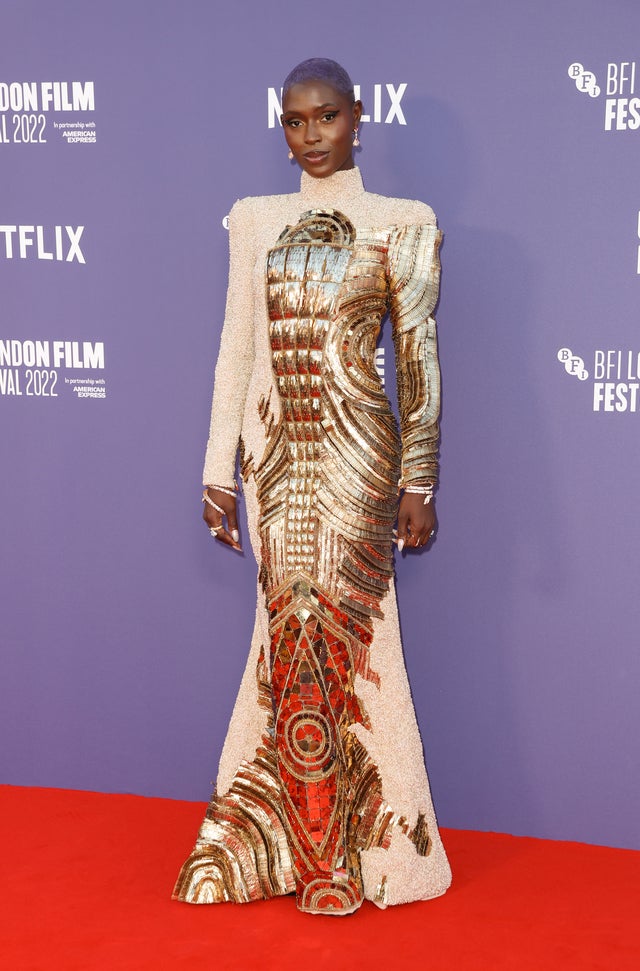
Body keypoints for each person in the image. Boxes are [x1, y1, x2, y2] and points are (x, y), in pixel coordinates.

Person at [173, 58, 452, 916]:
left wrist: (419, 475)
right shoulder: (254, 220)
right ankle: (283, 844)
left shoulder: (402, 223)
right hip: (275, 465)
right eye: (295, 121)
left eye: (326, 117)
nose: (311, 135)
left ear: (358, 117)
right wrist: (217, 466)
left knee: (355, 649)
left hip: (362, 466)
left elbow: (417, 360)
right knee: (285, 645)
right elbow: (236, 347)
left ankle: (372, 856)